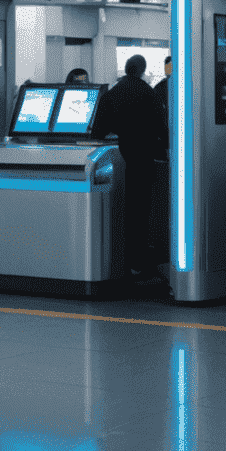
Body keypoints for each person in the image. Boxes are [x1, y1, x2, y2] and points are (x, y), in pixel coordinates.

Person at [91, 55, 164, 282]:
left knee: (121, 213)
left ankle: (119, 260)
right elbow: (161, 127)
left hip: (117, 162)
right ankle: (138, 263)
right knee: (140, 214)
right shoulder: (149, 93)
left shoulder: (111, 93)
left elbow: (97, 131)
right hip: (142, 161)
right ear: (142, 70)